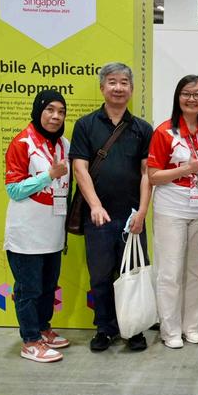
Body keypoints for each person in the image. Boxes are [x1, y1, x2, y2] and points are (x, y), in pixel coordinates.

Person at [69, 62, 153, 352]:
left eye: (124, 82)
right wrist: (95, 205)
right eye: (112, 82)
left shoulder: (142, 128)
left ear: (131, 88)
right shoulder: (85, 125)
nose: (118, 88)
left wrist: (142, 212)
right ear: (102, 87)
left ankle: (134, 329)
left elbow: (147, 173)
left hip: (132, 218)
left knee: (132, 273)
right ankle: (104, 328)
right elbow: (79, 168)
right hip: (98, 219)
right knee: (101, 276)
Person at [147, 75, 198, 349]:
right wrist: (186, 169)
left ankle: (191, 326)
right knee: (170, 271)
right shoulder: (165, 132)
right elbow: (153, 176)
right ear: (178, 97)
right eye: (187, 93)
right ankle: (170, 329)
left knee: (197, 271)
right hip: (171, 209)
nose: (192, 99)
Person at [4, 90, 71, 362]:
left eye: (61, 112)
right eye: (50, 110)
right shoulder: (22, 142)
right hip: (27, 232)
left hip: (53, 231)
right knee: (28, 290)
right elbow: (14, 189)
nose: (56, 116)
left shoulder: (64, 144)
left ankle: (43, 329)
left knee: (47, 286)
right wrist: (48, 175)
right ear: (38, 111)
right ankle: (30, 341)